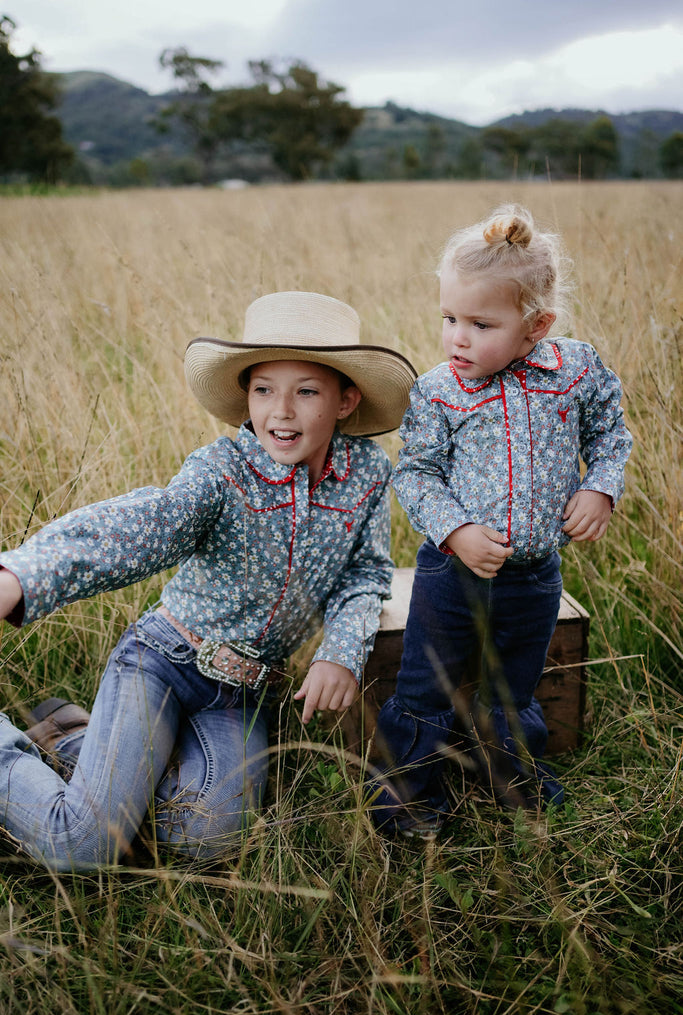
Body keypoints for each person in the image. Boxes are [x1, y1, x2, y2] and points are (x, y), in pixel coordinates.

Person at [0, 290, 417, 870]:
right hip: (163, 662)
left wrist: (341, 652)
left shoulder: (367, 475)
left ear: (346, 400)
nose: (281, 411)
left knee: (208, 839)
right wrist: (22, 574)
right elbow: (146, 525)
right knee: (83, 846)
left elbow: (366, 573)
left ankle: (75, 740)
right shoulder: (222, 472)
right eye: (264, 389)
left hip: (241, 694)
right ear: (246, 396)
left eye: (306, 391)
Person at [368, 204, 633, 838]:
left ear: (535, 325)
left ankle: (513, 776)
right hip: (452, 572)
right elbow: (417, 473)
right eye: (449, 319)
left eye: (480, 323)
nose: (457, 337)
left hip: (534, 573)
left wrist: (599, 488)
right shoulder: (439, 390)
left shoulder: (574, 371)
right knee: (427, 684)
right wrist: (457, 531)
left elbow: (610, 434)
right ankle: (407, 801)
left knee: (513, 685)